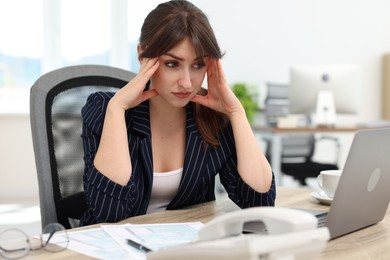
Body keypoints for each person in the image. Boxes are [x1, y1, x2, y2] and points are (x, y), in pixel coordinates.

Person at [80, 0, 275, 226]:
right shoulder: (105, 109)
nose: (186, 83)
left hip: (185, 248)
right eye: (172, 64)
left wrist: (236, 112)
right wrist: (117, 109)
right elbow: (109, 212)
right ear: (143, 56)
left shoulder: (213, 117)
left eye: (197, 65)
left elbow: (260, 205)